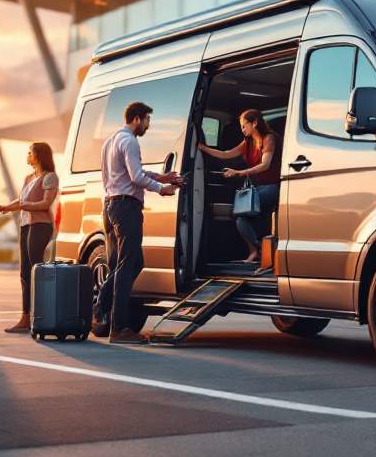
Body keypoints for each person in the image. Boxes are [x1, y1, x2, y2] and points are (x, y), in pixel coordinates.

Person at [96, 101, 183, 344]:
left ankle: (99, 310)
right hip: (126, 207)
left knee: (125, 264)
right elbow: (135, 177)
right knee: (128, 265)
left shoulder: (111, 141)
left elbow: (129, 172)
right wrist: (161, 188)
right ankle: (119, 328)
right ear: (137, 119)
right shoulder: (130, 141)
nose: (148, 125)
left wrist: (160, 175)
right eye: (147, 120)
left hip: (111, 205)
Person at [0, 142, 59, 334]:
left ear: (38, 155)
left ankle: (42, 315)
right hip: (26, 225)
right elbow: (21, 201)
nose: (27, 155)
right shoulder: (28, 177)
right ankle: (25, 318)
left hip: (41, 226)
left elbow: (45, 204)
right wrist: (4, 207)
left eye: (30, 152)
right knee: (24, 273)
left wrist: (23, 205)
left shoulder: (50, 177)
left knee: (36, 269)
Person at [197, 109, 281, 274]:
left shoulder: (269, 138)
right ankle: (256, 251)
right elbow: (225, 154)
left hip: (273, 187)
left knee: (240, 211)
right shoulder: (247, 143)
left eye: (244, 126)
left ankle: (259, 252)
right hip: (257, 189)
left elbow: (265, 165)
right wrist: (201, 147)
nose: (242, 130)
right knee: (240, 217)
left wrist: (239, 173)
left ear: (255, 123)